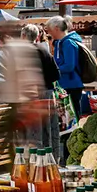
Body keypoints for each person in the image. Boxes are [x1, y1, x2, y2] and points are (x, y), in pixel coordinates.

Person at [22, 24, 60, 154]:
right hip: (48, 93)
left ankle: (34, 161)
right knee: (48, 128)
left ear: (23, 36)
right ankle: (51, 158)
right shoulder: (45, 51)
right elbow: (56, 74)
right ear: (37, 36)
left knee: (34, 130)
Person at [44, 16, 84, 118]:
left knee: (73, 116)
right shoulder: (60, 42)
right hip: (66, 84)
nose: (49, 33)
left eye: (50, 30)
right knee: (67, 117)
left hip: (71, 85)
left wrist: (53, 71)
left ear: (56, 28)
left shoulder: (68, 43)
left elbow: (69, 66)